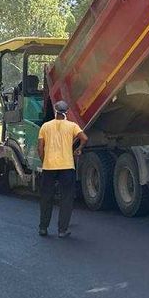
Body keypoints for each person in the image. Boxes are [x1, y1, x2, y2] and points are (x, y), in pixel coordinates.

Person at [37, 100, 87, 238]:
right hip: (67, 167)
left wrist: (44, 161)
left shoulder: (45, 126)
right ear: (67, 112)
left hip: (49, 167)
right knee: (66, 198)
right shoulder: (72, 126)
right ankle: (62, 230)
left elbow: (40, 148)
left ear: (55, 111)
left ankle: (43, 228)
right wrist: (79, 149)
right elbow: (84, 138)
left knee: (46, 197)